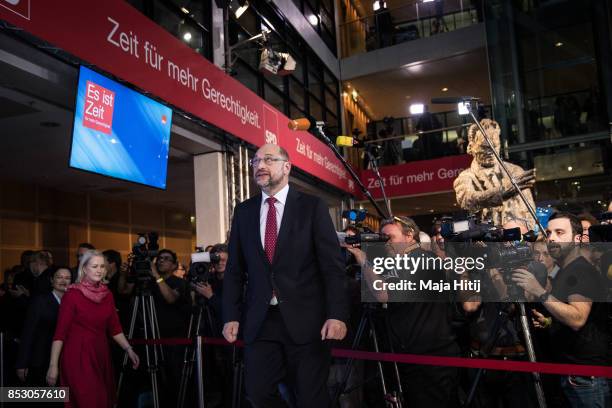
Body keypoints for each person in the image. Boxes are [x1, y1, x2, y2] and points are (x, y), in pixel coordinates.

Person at [222, 143, 349, 407]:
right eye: (255, 162)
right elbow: (234, 270)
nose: (260, 166)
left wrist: (336, 314)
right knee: (258, 393)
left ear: (287, 167)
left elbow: (332, 267)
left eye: (268, 159)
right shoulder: (244, 212)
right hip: (261, 320)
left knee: (311, 399)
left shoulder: (312, 207)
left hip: (308, 322)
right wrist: (231, 316)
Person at [513, 212, 609, 407]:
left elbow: (577, 319)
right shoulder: (567, 270)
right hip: (576, 373)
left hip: (585, 377)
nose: (552, 238)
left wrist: (538, 291)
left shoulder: (579, 270)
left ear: (576, 238)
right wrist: (550, 321)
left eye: (560, 232)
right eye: (549, 233)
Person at [46, 250, 139, 408]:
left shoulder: (107, 294)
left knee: (103, 401)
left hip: (101, 355)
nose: (99, 270)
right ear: (84, 269)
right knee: (89, 400)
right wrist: (53, 365)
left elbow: (114, 328)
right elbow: (60, 333)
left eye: (102, 266)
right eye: (94, 266)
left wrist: (129, 349)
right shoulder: (72, 295)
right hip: (78, 357)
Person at [454, 119, 537, 230]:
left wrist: (529, 233)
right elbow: (467, 200)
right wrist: (501, 193)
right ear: (471, 147)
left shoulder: (515, 171)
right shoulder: (466, 177)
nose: (491, 152)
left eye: (495, 146)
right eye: (485, 148)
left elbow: (529, 210)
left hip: (519, 239)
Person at [16, 267, 72, 386]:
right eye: (59, 277)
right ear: (52, 280)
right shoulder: (40, 301)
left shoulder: (73, 302)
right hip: (40, 359)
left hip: (64, 360)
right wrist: (22, 363)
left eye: (67, 278)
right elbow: (28, 332)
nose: (63, 281)